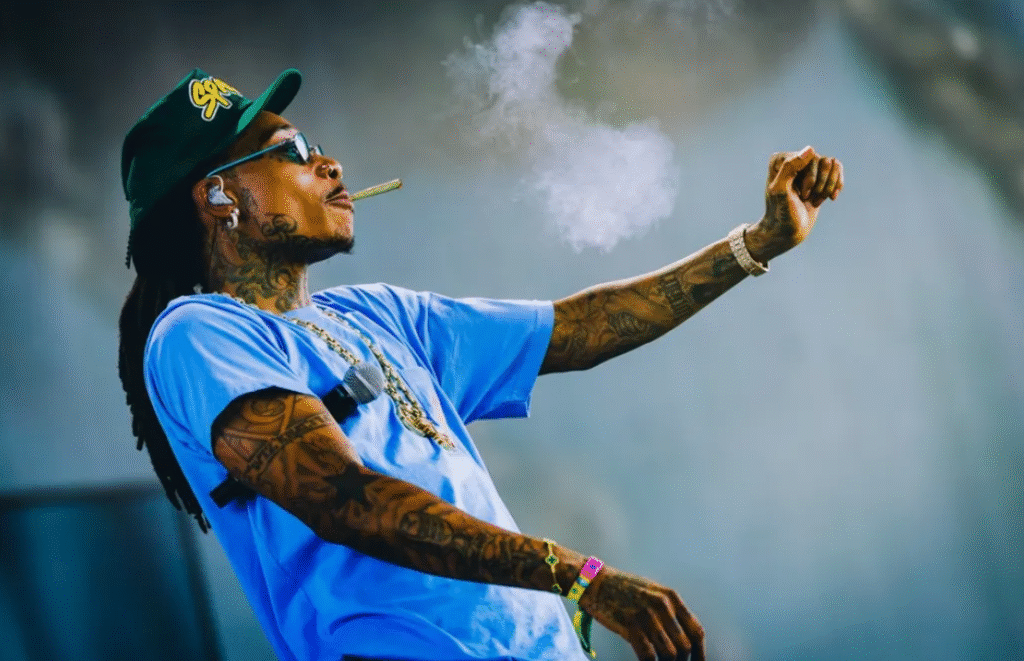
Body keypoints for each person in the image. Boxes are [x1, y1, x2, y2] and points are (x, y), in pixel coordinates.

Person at [118, 68, 842, 661]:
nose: (328, 164)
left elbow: (581, 327)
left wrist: (756, 244)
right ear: (217, 196)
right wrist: (579, 574)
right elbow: (346, 500)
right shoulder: (197, 333)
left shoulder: (374, 314)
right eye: (292, 150)